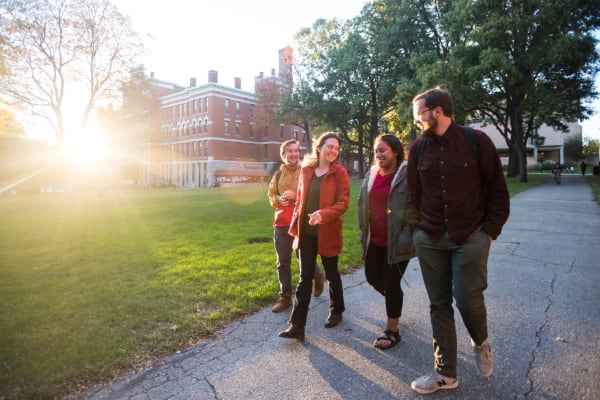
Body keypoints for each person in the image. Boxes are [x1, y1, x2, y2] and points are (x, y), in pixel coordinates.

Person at [407, 87, 510, 394]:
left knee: (467, 299)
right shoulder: (418, 149)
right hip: (430, 236)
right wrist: (416, 229)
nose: (417, 122)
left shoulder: (476, 141)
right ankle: (445, 373)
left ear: (437, 111)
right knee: (439, 304)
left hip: (470, 234)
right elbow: (413, 192)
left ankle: (480, 342)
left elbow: (497, 190)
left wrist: (489, 231)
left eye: (419, 115)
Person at [278, 132, 350, 341]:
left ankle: (337, 310)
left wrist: (323, 214)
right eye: (330, 146)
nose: (333, 151)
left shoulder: (340, 173)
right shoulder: (307, 171)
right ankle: (297, 325)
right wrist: (295, 227)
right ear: (319, 148)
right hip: (307, 233)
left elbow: (343, 203)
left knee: (332, 272)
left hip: (327, 231)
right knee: (305, 277)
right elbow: (300, 200)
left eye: (336, 148)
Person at [358, 134, 416, 350]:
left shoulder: (406, 174)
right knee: (372, 277)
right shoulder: (372, 174)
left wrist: (406, 237)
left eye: (383, 150)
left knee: (391, 284)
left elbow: (415, 207)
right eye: (376, 151)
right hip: (374, 239)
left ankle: (392, 330)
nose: (378, 154)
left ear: (395, 152)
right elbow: (361, 202)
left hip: (398, 241)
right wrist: (364, 229)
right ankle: (395, 302)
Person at [267, 140, 325, 313]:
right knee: (282, 262)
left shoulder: (306, 172)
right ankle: (285, 297)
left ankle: (318, 276)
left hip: (300, 223)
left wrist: (293, 198)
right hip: (281, 223)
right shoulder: (278, 174)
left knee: (303, 257)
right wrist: (279, 199)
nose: (293, 154)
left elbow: (313, 197)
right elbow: (270, 196)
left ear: (299, 153)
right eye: (289, 151)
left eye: (295, 151)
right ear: (283, 154)